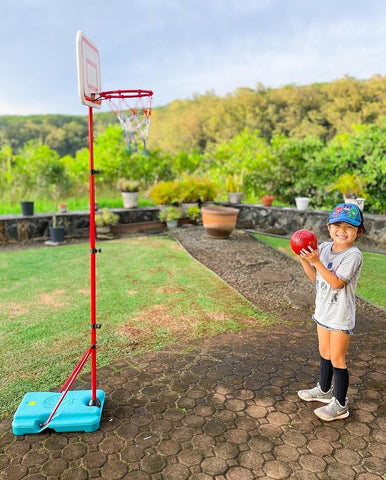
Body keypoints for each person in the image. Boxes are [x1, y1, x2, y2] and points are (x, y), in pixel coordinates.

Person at [297, 203, 365, 421]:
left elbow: (336, 283)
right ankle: (324, 390)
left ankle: (340, 404)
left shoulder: (353, 255)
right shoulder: (324, 248)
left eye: (349, 227)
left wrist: (316, 261)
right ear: (328, 227)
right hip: (323, 312)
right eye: (337, 225)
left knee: (337, 358)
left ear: (358, 231)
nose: (342, 231)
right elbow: (314, 277)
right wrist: (303, 258)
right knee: (324, 352)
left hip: (340, 316)